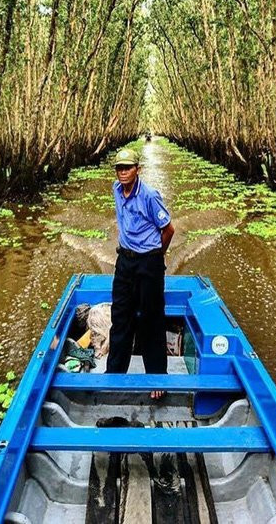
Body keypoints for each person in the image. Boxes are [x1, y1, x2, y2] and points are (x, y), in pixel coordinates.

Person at [107, 147, 174, 400]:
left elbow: (168, 230)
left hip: (149, 263)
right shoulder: (115, 189)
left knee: (151, 320)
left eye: (128, 168)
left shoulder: (149, 196)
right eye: (119, 168)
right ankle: (114, 374)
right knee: (120, 317)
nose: (123, 172)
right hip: (125, 261)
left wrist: (157, 255)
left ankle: (157, 378)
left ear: (138, 169)